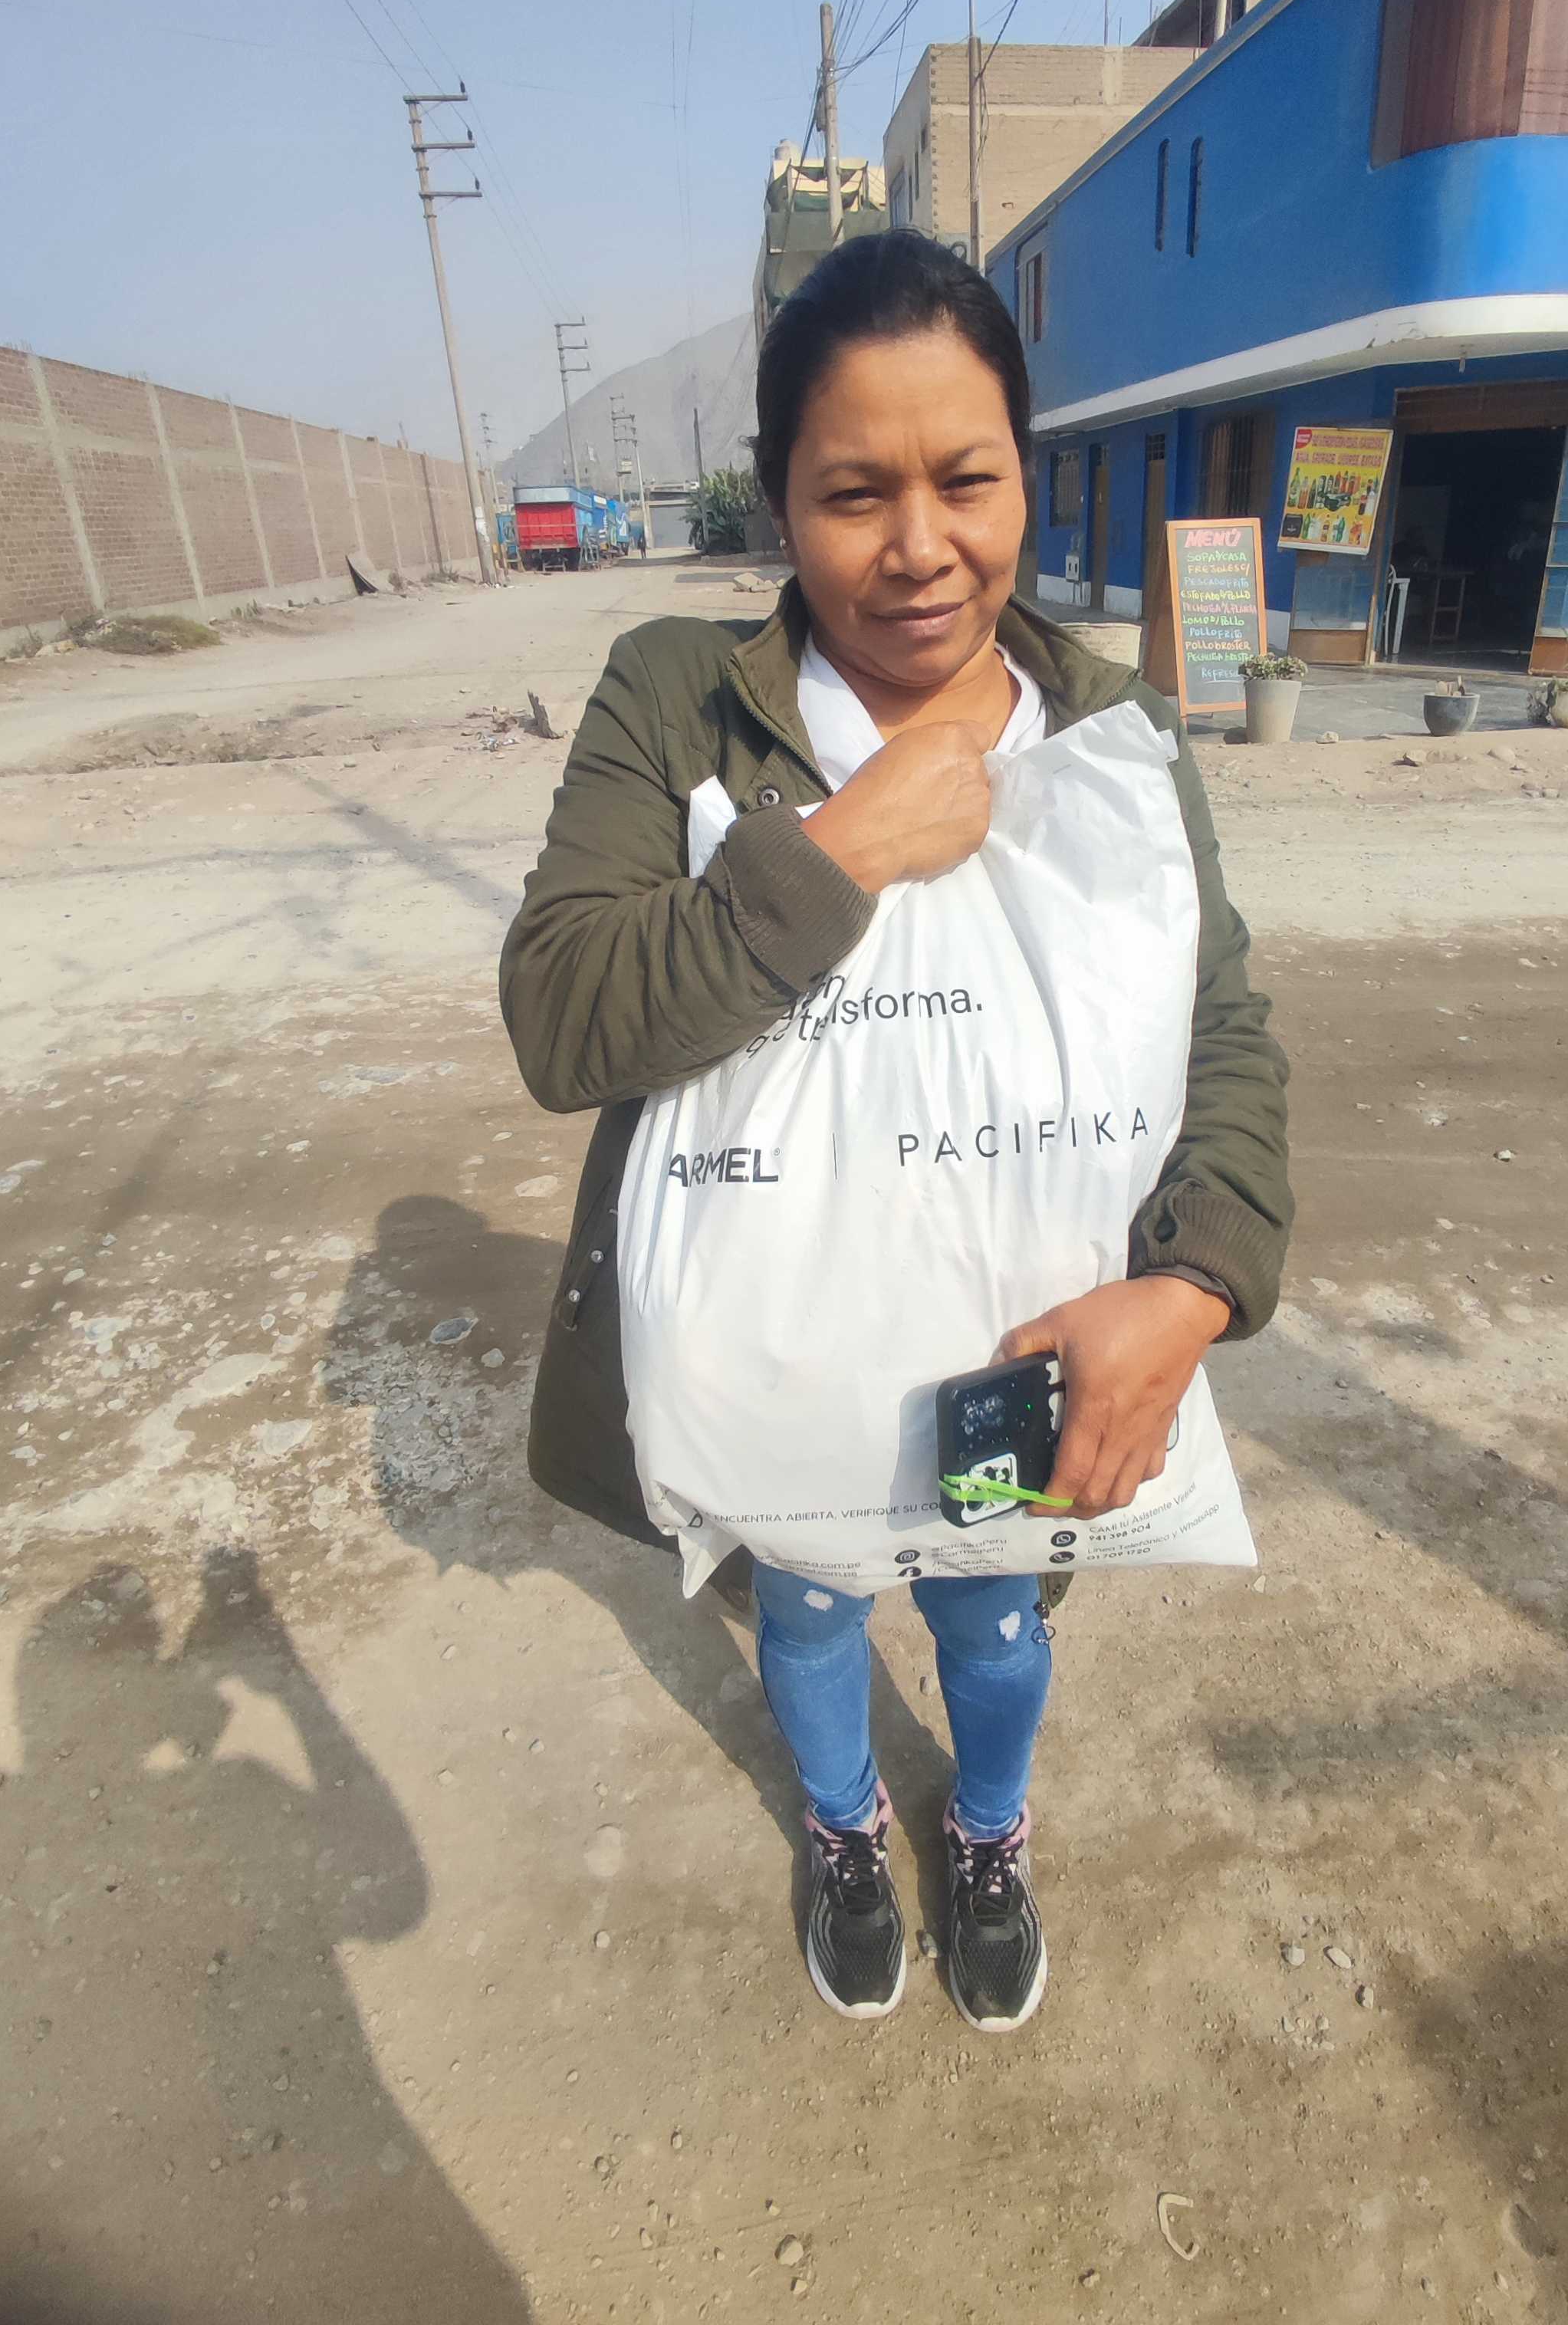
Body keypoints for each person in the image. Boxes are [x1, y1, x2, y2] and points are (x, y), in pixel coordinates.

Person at [501, 231, 1292, 2031]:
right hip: (785, 1347)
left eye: (966, 479)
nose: (918, 544)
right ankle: (846, 1818)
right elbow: (564, 1014)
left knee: (993, 1622)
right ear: (780, 496)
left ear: (1026, 471)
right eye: (854, 491)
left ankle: (989, 1827)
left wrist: (1191, 1284)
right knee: (805, 1610)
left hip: (1014, 1343)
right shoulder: (678, 696)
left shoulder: (1113, 736)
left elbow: (1222, 1030)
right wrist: (842, 845)